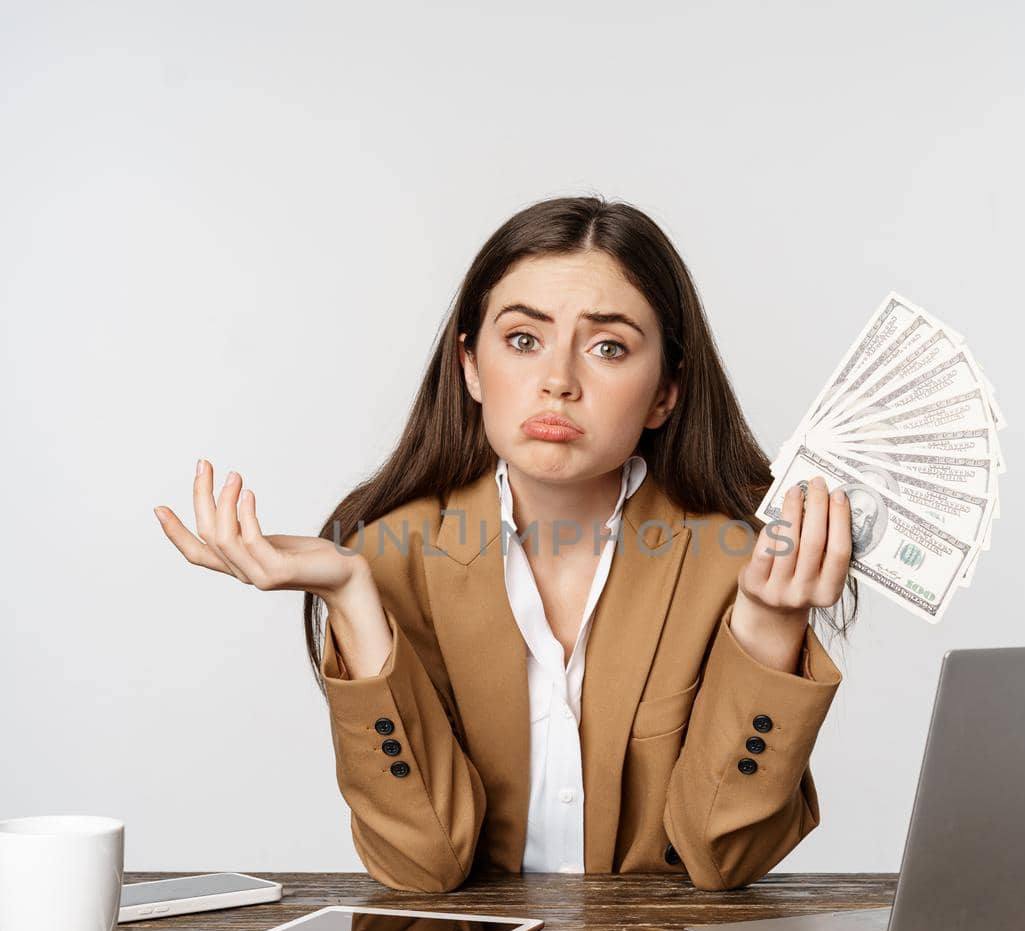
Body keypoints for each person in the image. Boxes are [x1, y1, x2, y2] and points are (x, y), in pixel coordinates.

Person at [155, 195, 859, 893]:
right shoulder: (392, 556)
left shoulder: (734, 563)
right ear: (469, 365)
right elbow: (423, 863)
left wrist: (769, 624)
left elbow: (721, 857)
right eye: (524, 339)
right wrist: (350, 593)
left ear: (665, 393)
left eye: (608, 346)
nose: (558, 381)